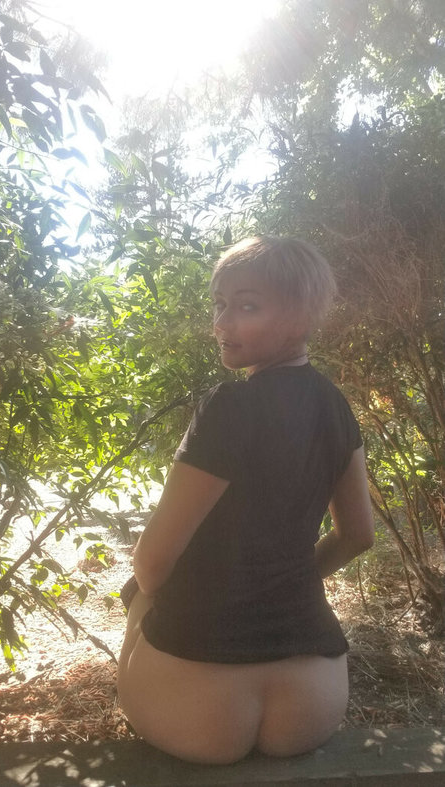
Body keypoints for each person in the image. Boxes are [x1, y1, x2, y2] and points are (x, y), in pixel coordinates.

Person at [117, 235, 374, 764]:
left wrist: (150, 595)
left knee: (137, 590)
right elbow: (358, 536)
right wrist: (285, 581)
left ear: (299, 317)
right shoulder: (335, 406)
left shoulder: (230, 406)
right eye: (220, 305)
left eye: (247, 307)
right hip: (314, 704)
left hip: (197, 711)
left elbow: (153, 561)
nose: (222, 323)